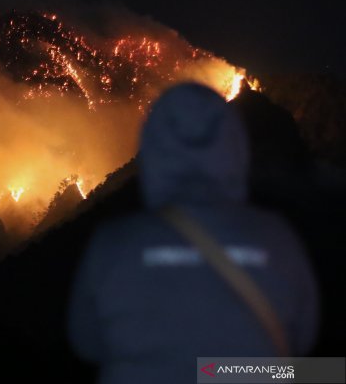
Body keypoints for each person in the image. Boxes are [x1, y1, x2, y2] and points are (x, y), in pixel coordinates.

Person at [67, 83, 318, 383]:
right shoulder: (277, 238)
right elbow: (301, 342)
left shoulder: (114, 243)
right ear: (234, 147)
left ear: (154, 148)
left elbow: (86, 343)